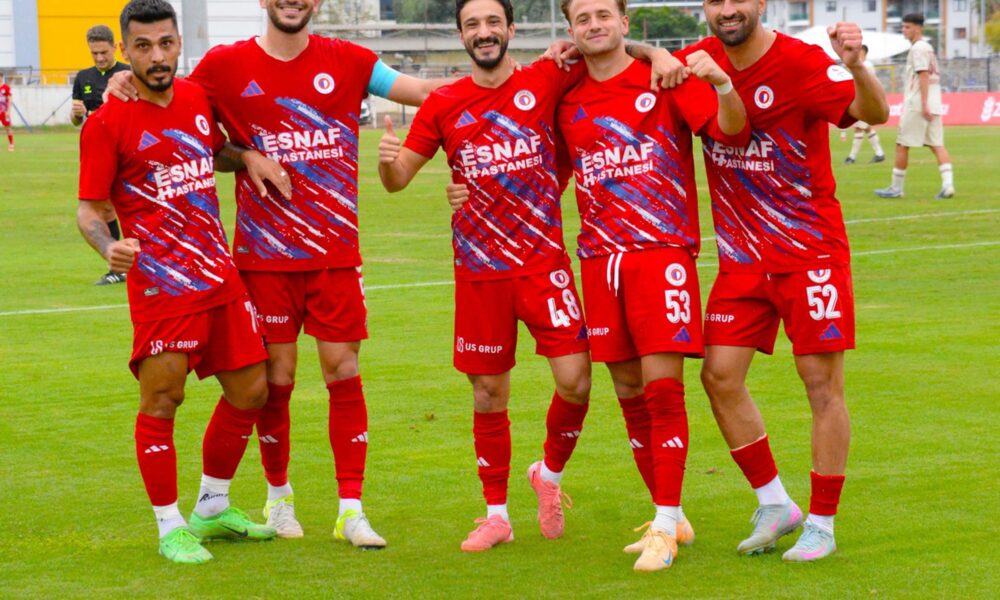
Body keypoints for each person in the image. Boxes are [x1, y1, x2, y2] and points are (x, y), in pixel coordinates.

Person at [107, 0, 451, 547]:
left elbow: (431, 90)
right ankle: (279, 498)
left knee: (343, 369)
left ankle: (351, 509)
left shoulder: (352, 60)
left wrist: (527, 75)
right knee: (275, 379)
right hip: (262, 257)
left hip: (335, 253)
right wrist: (124, 81)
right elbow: (181, 114)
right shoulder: (223, 66)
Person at [378, 0, 595, 553]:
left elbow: (606, 44)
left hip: (544, 264)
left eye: (493, 22)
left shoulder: (546, 77)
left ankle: (548, 474)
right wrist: (386, 160)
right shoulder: (443, 102)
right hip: (480, 271)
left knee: (576, 381)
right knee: (488, 391)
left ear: (511, 29)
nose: (484, 32)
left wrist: (584, 47)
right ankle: (497, 515)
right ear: (461, 35)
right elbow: (398, 179)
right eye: (472, 24)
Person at [76, 0, 288, 564]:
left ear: (178, 44)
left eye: (165, 43)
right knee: (163, 399)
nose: (157, 56)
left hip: (220, 277)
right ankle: (170, 526)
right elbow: (89, 210)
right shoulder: (106, 123)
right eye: (143, 46)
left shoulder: (195, 97)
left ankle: (212, 507)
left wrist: (245, 157)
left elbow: (211, 152)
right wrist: (108, 246)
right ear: (126, 52)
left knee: (253, 390)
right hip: (162, 286)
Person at [677, 0, 887, 562]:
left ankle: (822, 523)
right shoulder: (695, 60)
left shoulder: (801, 62)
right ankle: (775, 502)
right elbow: (637, 66)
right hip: (742, 261)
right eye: (715, 1)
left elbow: (873, 111)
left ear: (761, 4)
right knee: (719, 377)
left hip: (809, 255)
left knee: (821, 386)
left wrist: (857, 65)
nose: (727, 10)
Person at [554, 0, 750, 572]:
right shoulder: (568, 98)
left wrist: (716, 83)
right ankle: (671, 514)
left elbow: (731, 131)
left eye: (603, 15)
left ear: (623, 22)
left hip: (660, 254)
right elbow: (550, 174)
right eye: (582, 18)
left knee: (664, 390)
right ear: (571, 29)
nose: (594, 25)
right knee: (628, 390)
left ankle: (663, 525)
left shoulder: (666, 78)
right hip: (599, 260)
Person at [72, 25, 133, 285]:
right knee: (103, 206)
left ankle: (137, 263)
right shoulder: (83, 77)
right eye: (94, 53)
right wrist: (76, 115)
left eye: (103, 52)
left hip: (128, 147)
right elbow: (76, 121)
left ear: (115, 48)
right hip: (97, 150)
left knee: (133, 204)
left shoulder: (128, 73)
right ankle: (119, 266)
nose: (99, 57)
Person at [875, 13, 954, 199]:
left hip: (918, 104)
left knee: (902, 144)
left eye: (907, 27)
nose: (904, 30)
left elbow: (923, 74)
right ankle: (948, 185)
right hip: (935, 102)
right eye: (903, 27)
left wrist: (924, 104)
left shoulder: (918, 48)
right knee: (937, 145)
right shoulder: (928, 47)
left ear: (918, 28)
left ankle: (896, 188)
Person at [844, 45, 885, 165]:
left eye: (860, 52)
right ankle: (879, 153)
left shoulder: (866, 65)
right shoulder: (862, 65)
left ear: (864, 52)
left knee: (859, 128)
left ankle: (852, 157)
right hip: (862, 100)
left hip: (865, 101)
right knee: (865, 127)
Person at [0, 72, 13, 151]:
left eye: (0, 77)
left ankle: (11, 144)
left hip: (4, 111)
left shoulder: (6, 87)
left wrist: (8, 111)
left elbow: (10, 99)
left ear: (2, 77)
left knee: (7, 127)